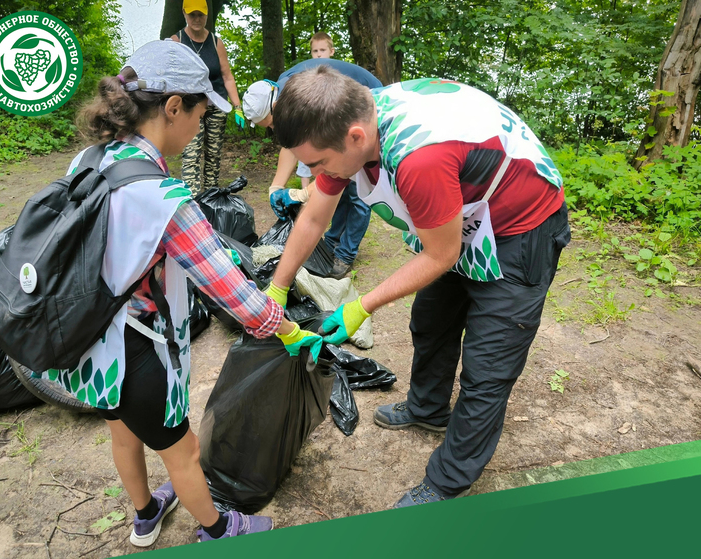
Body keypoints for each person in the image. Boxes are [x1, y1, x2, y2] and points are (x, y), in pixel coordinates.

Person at [265, 67, 571, 507]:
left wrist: (360, 306)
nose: (311, 174)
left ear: (354, 137)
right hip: (464, 216)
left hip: (520, 226)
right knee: (431, 320)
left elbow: (441, 255)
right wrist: (277, 287)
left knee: (488, 367)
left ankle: (448, 482)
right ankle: (428, 410)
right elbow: (314, 216)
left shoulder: (419, 157)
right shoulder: (349, 127)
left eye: (316, 164)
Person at [58, 40, 321, 547]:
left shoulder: (88, 159)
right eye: (201, 111)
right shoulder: (165, 200)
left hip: (90, 339)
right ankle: (219, 531)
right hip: (140, 348)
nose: (202, 124)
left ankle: (144, 514)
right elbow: (237, 296)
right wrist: (290, 332)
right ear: (173, 107)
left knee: (122, 432)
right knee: (183, 452)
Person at [242, 51, 380, 279]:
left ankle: (345, 254)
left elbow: (307, 148)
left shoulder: (297, 97)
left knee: (357, 188)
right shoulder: (282, 94)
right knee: (339, 185)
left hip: (366, 102)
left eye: (272, 124)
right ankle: (333, 243)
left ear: (275, 107)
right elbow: (291, 144)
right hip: (339, 115)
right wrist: (276, 187)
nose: (273, 130)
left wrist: (302, 193)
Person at [171, 0, 246, 195]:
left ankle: (211, 197)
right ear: (184, 14)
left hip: (217, 105)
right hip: (191, 106)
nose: (196, 19)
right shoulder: (177, 40)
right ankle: (192, 200)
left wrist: (237, 107)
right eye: (192, 14)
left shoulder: (215, 42)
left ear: (206, 15)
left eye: (200, 15)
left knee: (213, 155)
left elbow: (227, 76)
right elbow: (172, 77)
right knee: (191, 154)